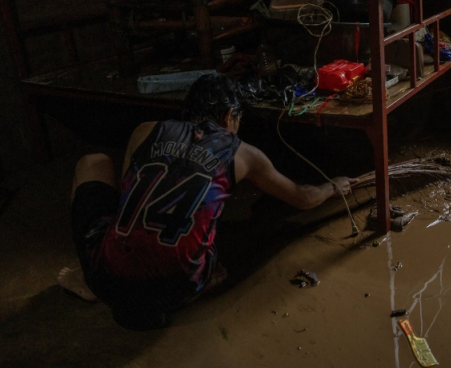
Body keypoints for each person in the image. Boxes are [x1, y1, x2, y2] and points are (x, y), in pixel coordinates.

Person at [57, 74, 355, 329]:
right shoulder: (244, 153)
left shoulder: (146, 129)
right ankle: (204, 279)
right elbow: (303, 198)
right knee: (215, 234)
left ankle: (87, 278)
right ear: (229, 115)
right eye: (238, 119)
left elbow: (127, 201)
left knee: (93, 162)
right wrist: (333, 187)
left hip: (107, 280)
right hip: (181, 287)